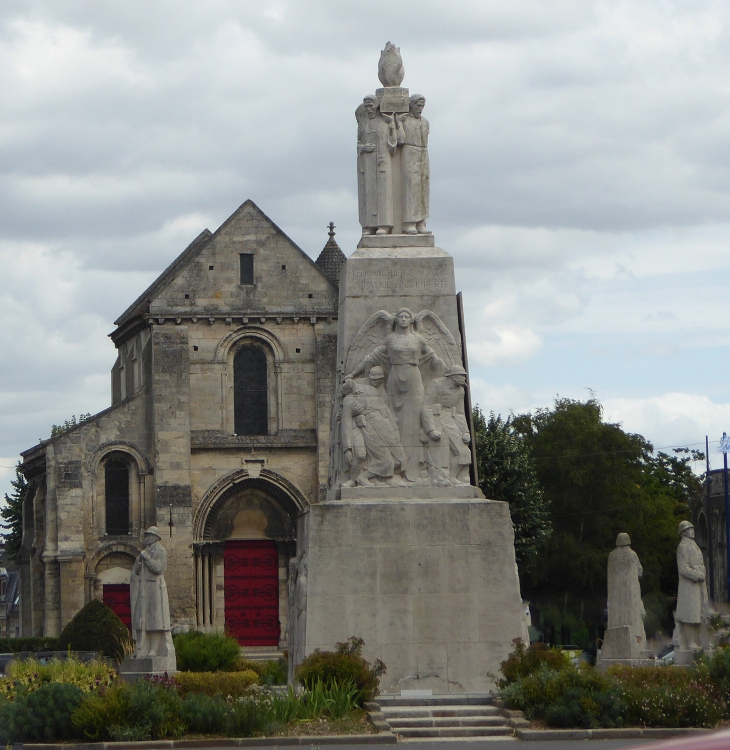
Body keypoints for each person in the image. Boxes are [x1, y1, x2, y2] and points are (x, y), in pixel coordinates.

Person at [346, 309, 445, 481]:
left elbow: (433, 356)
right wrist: (353, 373)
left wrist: (446, 370)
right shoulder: (390, 339)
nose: (404, 319)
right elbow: (370, 358)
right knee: (392, 421)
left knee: (414, 421)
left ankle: (415, 467)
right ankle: (395, 466)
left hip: (414, 378)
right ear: (396, 320)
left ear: (411, 319)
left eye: (407, 316)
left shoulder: (418, 339)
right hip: (394, 379)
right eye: (401, 317)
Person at [341, 369, 407, 486]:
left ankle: (387, 476)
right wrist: (348, 448)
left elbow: (384, 408)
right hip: (369, 427)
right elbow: (346, 423)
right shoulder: (348, 400)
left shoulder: (370, 389)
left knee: (399, 455)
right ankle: (362, 477)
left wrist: (394, 427)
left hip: (383, 423)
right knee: (385, 459)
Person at [420, 365, 471, 485]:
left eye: (465, 376)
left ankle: (453, 477)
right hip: (436, 419)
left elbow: (459, 413)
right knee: (440, 453)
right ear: (452, 376)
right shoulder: (436, 384)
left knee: (464, 452)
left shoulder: (460, 390)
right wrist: (431, 429)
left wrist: (465, 432)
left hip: (451, 421)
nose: (464, 378)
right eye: (461, 375)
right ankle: (439, 479)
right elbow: (426, 407)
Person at [130, 526, 174, 659]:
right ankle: (141, 647)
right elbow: (137, 571)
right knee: (140, 618)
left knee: (155, 619)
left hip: (155, 589)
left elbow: (159, 568)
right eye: (146, 535)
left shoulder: (161, 551)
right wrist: (139, 561)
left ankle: (154, 649)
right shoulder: (145, 551)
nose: (146, 538)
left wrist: (147, 558)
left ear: (155, 537)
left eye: (149, 535)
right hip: (143, 589)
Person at [357, 95, 398, 235]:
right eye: (366, 106)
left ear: (377, 106)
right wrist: (363, 148)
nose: (368, 109)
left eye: (371, 105)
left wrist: (392, 125)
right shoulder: (363, 124)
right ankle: (369, 225)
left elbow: (393, 144)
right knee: (369, 192)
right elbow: (358, 144)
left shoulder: (384, 122)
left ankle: (384, 224)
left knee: (383, 192)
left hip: (382, 161)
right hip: (368, 163)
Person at [604, 533, 647, 658]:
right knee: (633, 619)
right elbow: (640, 571)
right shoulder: (632, 555)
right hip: (630, 596)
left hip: (615, 601)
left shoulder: (611, 556)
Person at [674, 520, 709, 651]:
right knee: (690, 615)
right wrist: (697, 574)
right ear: (684, 532)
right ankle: (690, 642)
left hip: (699, 585)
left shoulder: (694, 545)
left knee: (698, 613)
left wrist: (701, 571)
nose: (693, 531)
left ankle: (698, 640)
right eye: (690, 529)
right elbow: (682, 568)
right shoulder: (682, 547)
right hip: (689, 586)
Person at [397, 95, 430, 235]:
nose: (420, 109)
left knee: (423, 187)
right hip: (409, 151)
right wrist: (398, 124)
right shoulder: (405, 121)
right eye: (418, 105)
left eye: (422, 106)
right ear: (411, 106)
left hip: (423, 152)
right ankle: (409, 222)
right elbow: (400, 140)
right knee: (411, 186)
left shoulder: (425, 122)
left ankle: (421, 222)